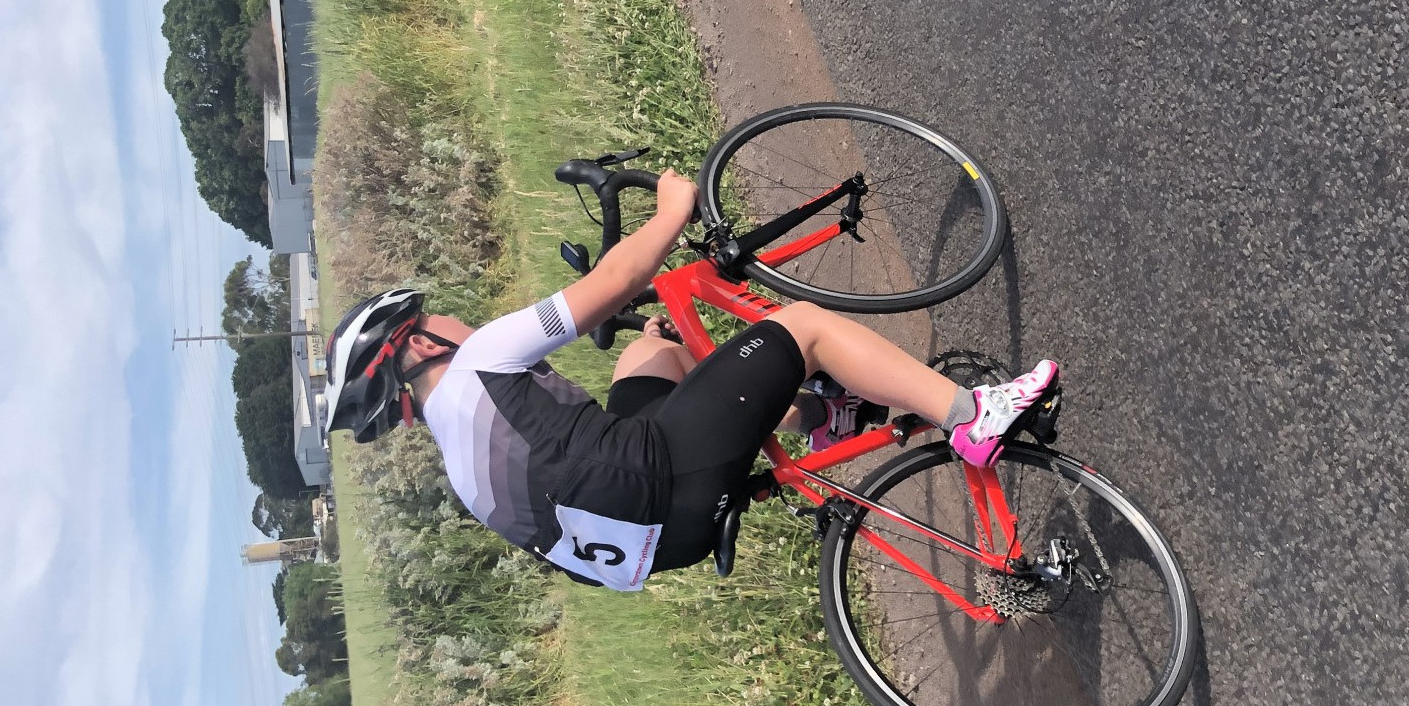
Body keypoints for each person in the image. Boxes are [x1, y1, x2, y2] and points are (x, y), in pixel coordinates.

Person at [321, 169, 1058, 590]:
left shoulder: (461, 470)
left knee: (648, 352)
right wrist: (673, 209)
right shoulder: (479, 357)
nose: (447, 316)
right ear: (415, 340)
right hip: (668, 473)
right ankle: (972, 414)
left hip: (662, 542)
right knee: (805, 326)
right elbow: (616, 278)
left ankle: (823, 417)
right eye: (432, 314)